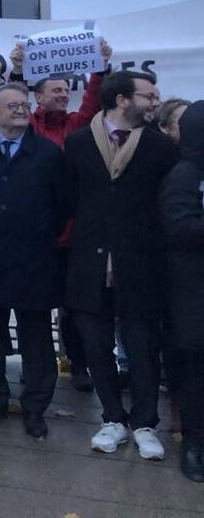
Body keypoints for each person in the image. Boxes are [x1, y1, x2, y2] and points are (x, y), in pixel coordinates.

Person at [64, 70, 179, 460]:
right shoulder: (78, 144)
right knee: (96, 346)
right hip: (89, 264)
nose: (155, 102)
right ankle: (112, 418)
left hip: (141, 266)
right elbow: (66, 201)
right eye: (148, 96)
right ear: (122, 100)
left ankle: (145, 423)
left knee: (143, 347)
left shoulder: (162, 149)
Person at [0, 83, 69, 437]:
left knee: (36, 339)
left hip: (34, 260)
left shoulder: (49, 153)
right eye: (12, 106)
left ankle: (35, 406)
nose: (21, 110)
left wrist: (37, 232)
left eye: (24, 105)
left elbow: (61, 206)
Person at [14, 37, 112, 392]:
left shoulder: (76, 125)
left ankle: (79, 363)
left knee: (75, 305)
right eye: (54, 90)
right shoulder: (28, 127)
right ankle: (34, 366)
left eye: (64, 90)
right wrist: (17, 70)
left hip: (73, 234)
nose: (61, 94)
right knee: (35, 306)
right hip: (38, 235)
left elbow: (91, 102)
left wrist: (98, 68)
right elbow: (11, 103)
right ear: (37, 97)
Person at [158, 101, 204, 481]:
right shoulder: (185, 175)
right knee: (195, 373)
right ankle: (194, 445)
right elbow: (180, 228)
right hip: (193, 291)